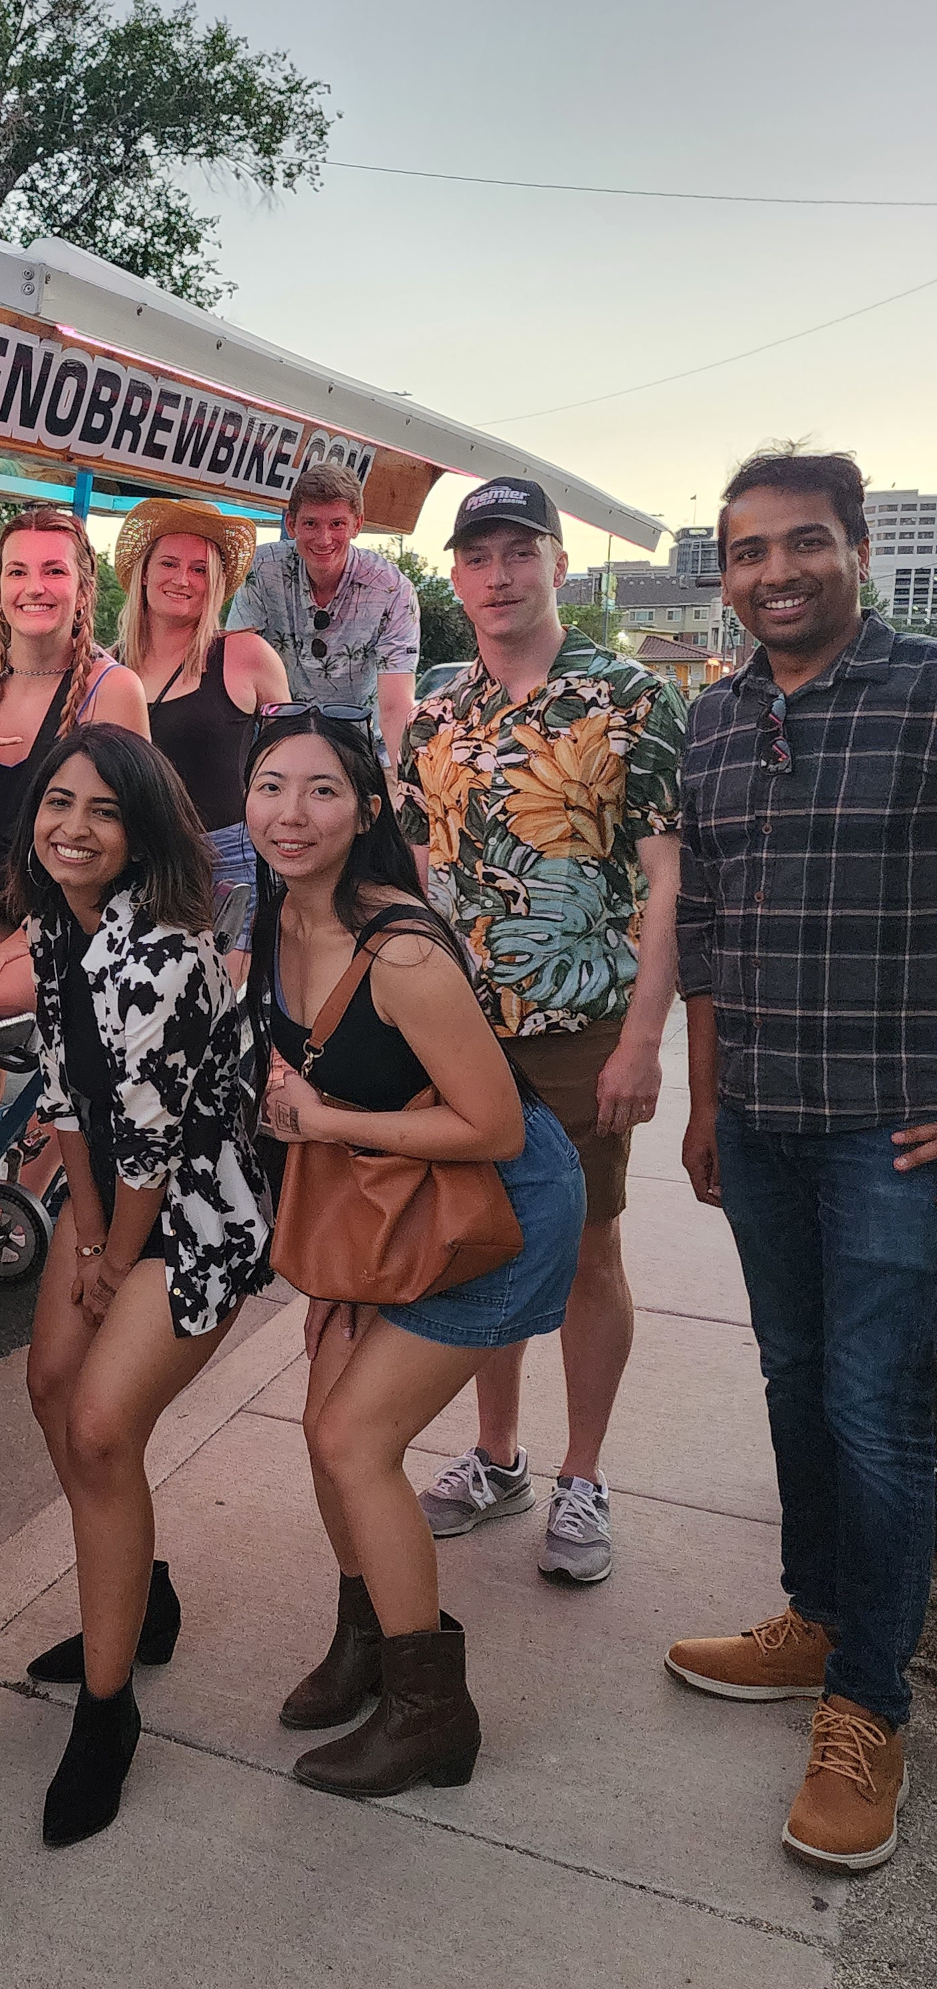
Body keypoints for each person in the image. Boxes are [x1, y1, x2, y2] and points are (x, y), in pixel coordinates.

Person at [666, 449, 937, 1876]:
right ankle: (821, 1615)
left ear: (854, 551)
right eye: (749, 551)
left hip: (891, 1129)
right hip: (761, 1122)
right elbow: (704, 926)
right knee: (793, 1379)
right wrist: (705, 1099)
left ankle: (868, 1703)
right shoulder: (714, 718)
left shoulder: (925, 693)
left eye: (805, 542)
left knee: (876, 1411)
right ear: (726, 572)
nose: (777, 571)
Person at [246, 707, 584, 1799]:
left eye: (321, 790)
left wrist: (322, 1120)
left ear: (366, 810)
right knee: (323, 1425)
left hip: (498, 1211)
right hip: (400, 1202)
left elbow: (493, 1126)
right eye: (269, 785)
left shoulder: (398, 949)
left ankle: (429, 1712)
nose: (290, 813)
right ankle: (368, 1639)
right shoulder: (274, 914)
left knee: (355, 1438)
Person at [396, 477, 687, 1585]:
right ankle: (497, 1456)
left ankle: (583, 1475)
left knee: (588, 1250)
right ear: (456, 574)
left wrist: (641, 1040)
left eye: (520, 551)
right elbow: (416, 869)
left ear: (558, 564)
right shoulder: (436, 704)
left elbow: (668, 879)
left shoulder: (629, 698)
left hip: (580, 1025)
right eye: (477, 556)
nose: (498, 575)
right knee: (484, 1239)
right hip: (458, 1033)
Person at [13, 723, 270, 1846]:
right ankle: (139, 1597)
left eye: (103, 812)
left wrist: (114, 1264)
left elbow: (156, 1143)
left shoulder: (161, 952)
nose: (73, 827)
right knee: (48, 1387)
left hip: (195, 1210)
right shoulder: (51, 925)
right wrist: (80, 1241)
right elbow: (64, 1092)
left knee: (101, 1428)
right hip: (110, 1201)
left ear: (142, 831)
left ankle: (108, 1711)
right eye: (57, 802)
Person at [0, 506, 148, 1177]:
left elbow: (126, 844)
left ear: (83, 589)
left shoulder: (112, 690)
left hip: (80, 917)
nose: (35, 586)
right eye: (18, 571)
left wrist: (26, 935)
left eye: (54, 571)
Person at [110, 496, 289, 919]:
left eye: (199, 569)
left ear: (216, 583)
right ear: (145, 573)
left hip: (229, 866)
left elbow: (292, 760)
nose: (182, 579)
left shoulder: (246, 653)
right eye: (169, 563)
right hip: (132, 865)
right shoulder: (108, 666)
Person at [225, 462, 419, 759]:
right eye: (311, 524)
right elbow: (238, 657)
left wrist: (404, 779)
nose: (324, 538)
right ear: (291, 524)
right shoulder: (263, 570)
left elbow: (395, 705)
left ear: (357, 525)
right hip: (277, 741)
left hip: (360, 748)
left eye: (337, 524)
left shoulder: (392, 590)